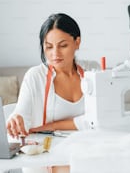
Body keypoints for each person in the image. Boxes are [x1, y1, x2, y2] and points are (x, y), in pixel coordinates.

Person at [6, 13, 87, 173]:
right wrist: (16, 118)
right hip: (45, 163)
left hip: (79, 154)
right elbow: (21, 113)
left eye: (63, 45)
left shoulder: (90, 77)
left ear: (77, 42)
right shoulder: (35, 76)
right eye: (49, 47)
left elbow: (97, 122)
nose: (55, 53)